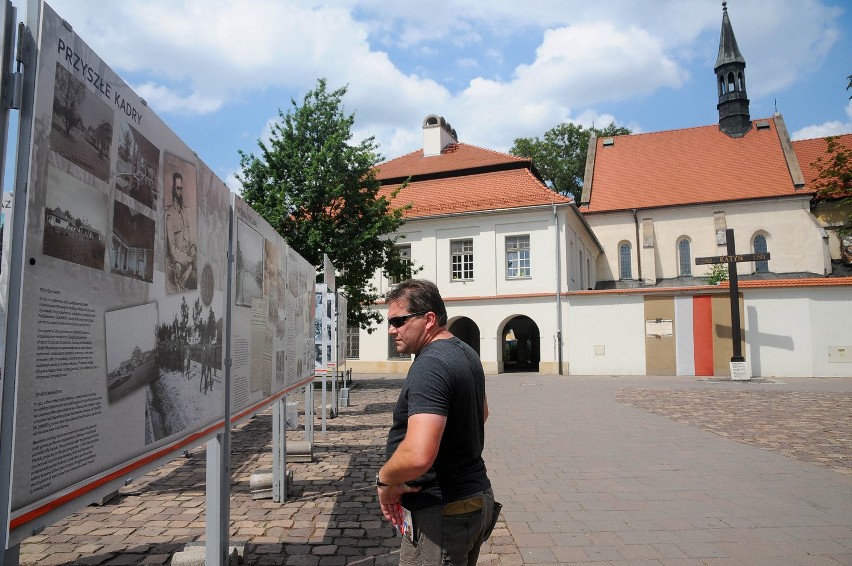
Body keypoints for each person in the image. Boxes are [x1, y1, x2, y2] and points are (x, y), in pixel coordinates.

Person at [376, 279, 498, 565]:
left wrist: (385, 479)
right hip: (473, 498)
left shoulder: (430, 365)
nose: (391, 329)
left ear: (429, 319)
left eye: (399, 320)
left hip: (441, 511)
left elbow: (418, 455)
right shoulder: (465, 352)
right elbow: (482, 414)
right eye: (390, 321)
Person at [164, 171, 197, 292]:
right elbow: (172, 249)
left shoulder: (185, 212)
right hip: (178, 262)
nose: (180, 192)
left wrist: (193, 250)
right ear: (173, 190)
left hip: (188, 262)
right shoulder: (169, 214)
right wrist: (186, 259)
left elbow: (190, 237)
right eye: (178, 188)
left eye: (181, 188)